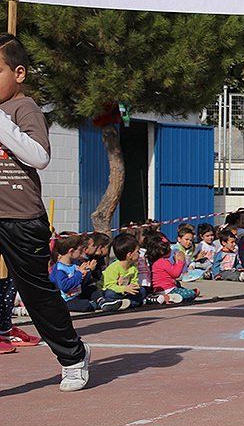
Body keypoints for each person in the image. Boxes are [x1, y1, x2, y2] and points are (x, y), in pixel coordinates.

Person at [0, 34, 91, 389]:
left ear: (19, 73)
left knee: (37, 293)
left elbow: (39, 156)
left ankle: (73, 356)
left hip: (21, 219)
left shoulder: (25, 109)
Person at [49, 233, 123, 312]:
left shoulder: (74, 264)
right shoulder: (60, 269)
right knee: (85, 305)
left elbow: (82, 284)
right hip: (66, 299)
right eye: (80, 251)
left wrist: (87, 271)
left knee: (92, 289)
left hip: (77, 294)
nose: (82, 253)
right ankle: (95, 304)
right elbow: (64, 287)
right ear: (71, 251)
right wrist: (79, 274)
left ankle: (102, 301)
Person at [147, 236, 199, 304]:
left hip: (161, 290)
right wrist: (180, 261)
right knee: (194, 292)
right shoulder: (163, 262)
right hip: (168, 290)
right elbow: (176, 274)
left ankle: (165, 297)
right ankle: (169, 297)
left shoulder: (157, 262)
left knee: (184, 291)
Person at [102, 233, 145, 308]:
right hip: (117, 291)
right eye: (137, 251)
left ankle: (123, 303)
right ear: (129, 255)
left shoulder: (133, 268)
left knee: (142, 291)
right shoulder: (113, 268)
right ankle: (115, 303)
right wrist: (124, 288)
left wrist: (134, 286)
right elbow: (109, 286)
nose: (139, 253)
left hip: (127, 292)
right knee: (110, 293)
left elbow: (134, 281)